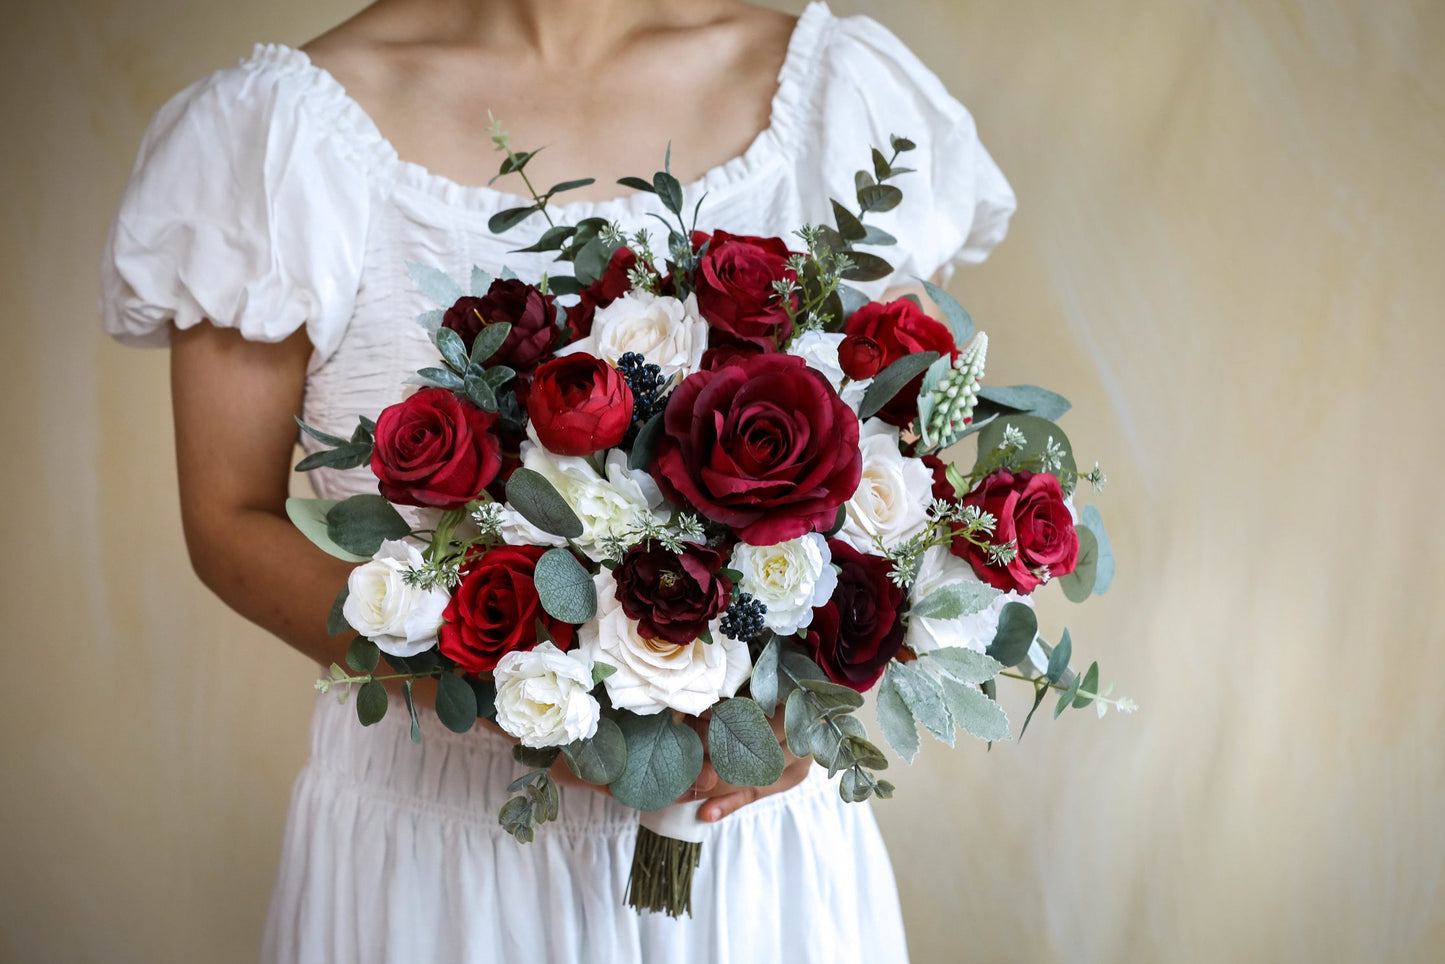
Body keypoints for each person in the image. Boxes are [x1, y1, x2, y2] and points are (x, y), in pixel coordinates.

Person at [101, 0, 1015, 959]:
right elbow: (229, 518)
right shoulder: (279, 137)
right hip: (438, 862)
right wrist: (527, 700)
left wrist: (807, 701)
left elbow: (902, 484)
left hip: (753, 862)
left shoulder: (844, 98)